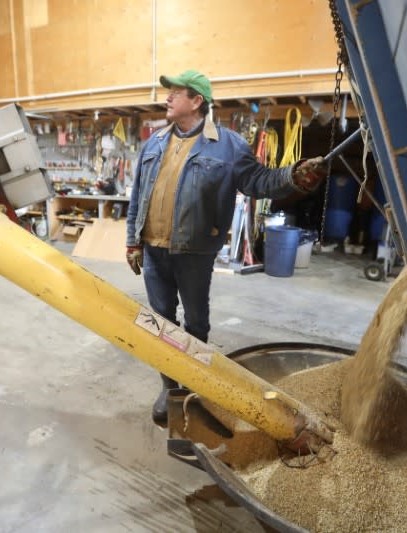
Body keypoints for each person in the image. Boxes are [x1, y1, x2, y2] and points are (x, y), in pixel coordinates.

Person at [125, 69, 326, 425]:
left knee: (196, 324)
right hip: (152, 250)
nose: (167, 98)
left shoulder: (230, 145)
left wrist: (292, 175)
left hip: (194, 252)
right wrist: (131, 241)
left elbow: (258, 181)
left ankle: (193, 383)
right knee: (159, 324)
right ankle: (171, 388)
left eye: (175, 93)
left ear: (196, 101)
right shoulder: (154, 143)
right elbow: (137, 194)